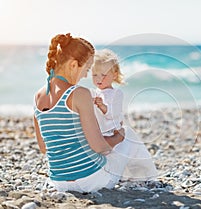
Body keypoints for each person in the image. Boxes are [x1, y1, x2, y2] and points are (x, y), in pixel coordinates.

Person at [33, 33, 126, 193]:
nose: (85, 75)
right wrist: (118, 137)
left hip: (59, 182)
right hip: (92, 180)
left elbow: (43, 148)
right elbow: (98, 146)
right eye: (87, 69)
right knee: (125, 143)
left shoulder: (38, 97)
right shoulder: (79, 93)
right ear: (73, 65)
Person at [90, 49, 158, 181]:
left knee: (119, 154)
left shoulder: (116, 93)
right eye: (94, 75)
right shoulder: (94, 92)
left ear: (114, 75)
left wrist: (102, 107)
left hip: (111, 129)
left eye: (103, 75)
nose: (99, 79)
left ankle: (133, 174)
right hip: (99, 129)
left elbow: (113, 114)